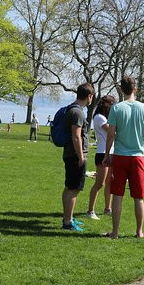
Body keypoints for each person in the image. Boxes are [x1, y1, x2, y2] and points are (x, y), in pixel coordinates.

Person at [104, 75, 144, 239]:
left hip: (119, 156)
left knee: (117, 195)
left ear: (121, 90)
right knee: (138, 196)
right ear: (135, 89)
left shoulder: (116, 108)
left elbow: (110, 135)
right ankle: (139, 231)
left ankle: (115, 232)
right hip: (137, 156)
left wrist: (106, 154)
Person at [61, 84, 94, 232]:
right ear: (89, 96)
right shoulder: (77, 112)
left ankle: (68, 217)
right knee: (73, 189)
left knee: (69, 187)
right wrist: (81, 157)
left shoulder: (73, 109)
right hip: (75, 156)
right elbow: (76, 136)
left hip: (70, 154)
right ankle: (68, 222)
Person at [86, 94, 115, 220]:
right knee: (99, 184)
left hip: (111, 152)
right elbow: (111, 131)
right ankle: (90, 210)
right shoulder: (99, 117)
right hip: (102, 153)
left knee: (110, 183)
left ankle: (108, 208)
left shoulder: (105, 118)